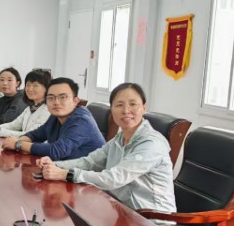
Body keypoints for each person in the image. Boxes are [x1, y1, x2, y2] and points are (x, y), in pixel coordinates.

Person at [38, 82, 175, 213]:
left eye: (133, 104)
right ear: (112, 110)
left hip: (153, 220)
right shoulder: (119, 139)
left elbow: (114, 178)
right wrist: (55, 165)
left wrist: (66, 174)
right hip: (120, 209)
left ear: (144, 107)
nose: (126, 110)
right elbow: (89, 162)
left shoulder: (152, 144)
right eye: (119, 105)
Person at [2, 77, 105, 160]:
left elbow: (57, 150)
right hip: (62, 170)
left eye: (63, 97)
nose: (56, 102)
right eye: (51, 98)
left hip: (88, 176)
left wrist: (18, 144)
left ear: (75, 101)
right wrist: (16, 142)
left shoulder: (82, 120)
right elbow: (36, 134)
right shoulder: (55, 116)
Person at [0, 69, 51, 138]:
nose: (30, 89)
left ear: (46, 88)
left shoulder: (47, 110)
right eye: (28, 85)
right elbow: (14, 125)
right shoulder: (30, 108)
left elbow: (30, 135)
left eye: (35, 85)